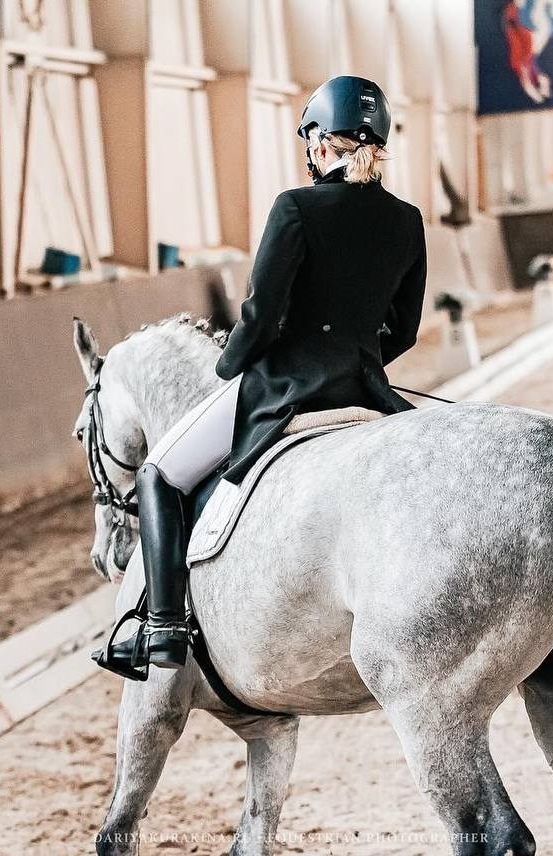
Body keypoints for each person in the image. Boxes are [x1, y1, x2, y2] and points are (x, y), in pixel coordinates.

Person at [97, 75, 427, 680]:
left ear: (324, 144)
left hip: (283, 392)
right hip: (367, 391)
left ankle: (164, 629)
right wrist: (354, 356)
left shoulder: (295, 207)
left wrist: (230, 364)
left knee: (158, 474)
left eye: (311, 142)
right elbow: (402, 329)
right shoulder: (408, 220)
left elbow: (261, 313)